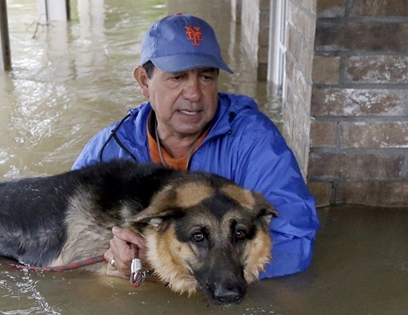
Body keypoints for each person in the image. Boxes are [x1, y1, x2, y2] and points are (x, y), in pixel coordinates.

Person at [71, 13, 320, 280]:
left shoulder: (254, 141)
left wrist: (172, 267)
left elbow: (295, 242)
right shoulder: (110, 149)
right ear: (144, 80)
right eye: (178, 77)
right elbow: (66, 234)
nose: (194, 93)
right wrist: (111, 257)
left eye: (206, 77)